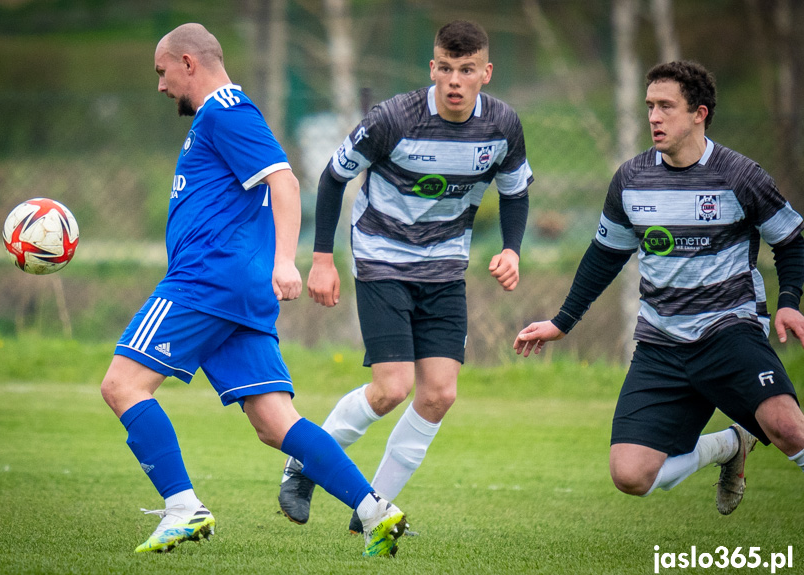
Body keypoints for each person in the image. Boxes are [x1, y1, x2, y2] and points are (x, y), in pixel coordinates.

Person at [99, 23, 407, 557]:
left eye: (162, 71)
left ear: (188, 63)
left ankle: (182, 509)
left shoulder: (226, 111)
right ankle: (374, 510)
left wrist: (286, 261)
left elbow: (284, 182)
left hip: (204, 282)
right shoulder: (220, 116)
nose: (160, 85)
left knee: (123, 385)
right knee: (274, 422)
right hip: (234, 293)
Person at [515, 60, 804, 513]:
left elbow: (790, 241)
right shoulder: (631, 179)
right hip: (661, 343)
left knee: (789, 430)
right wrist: (561, 322)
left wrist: (788, 303)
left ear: (699, 114)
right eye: (649, 106)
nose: (653, 116)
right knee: (630, 475)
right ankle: (730, 446)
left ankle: (747, 435)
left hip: (729, 330)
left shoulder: (740, 175)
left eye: (666, 106)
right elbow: (604, 257)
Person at [278, 20, 533, 533]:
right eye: (445, 68)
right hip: (382, 258)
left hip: (445, 269)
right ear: (432, 68)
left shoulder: (503, 125)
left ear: (486, 73)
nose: (454, 80)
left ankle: (371, 514)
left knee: (439, 393)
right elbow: (332, 177)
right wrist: (322, 258)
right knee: (392, 388)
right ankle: (303, 466)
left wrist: (511, 249)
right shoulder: (393, 118)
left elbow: (515, 190)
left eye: (466, 70)